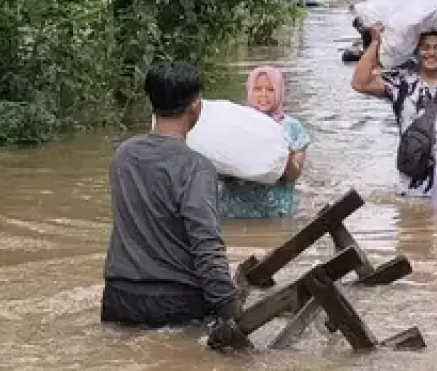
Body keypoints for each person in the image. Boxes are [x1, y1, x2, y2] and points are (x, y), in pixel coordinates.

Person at [101, 61, 242, 333]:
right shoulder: (195, 167)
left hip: (119, 296)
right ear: (196, 106)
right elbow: (206, 244)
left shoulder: (124, 155)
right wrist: (228, 305)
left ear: (151, 104)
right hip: (175, 302)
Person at [350, 23, 437, 197]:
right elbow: (360, 83)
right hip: (412, 188)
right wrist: (375, 42)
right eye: (426, 47)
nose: (431, 53)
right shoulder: (401, 84)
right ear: (417, 51)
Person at [218, 66, 311, 219]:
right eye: (257, 89)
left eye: (270, 89)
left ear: (280, 92)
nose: (263, 94)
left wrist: (284, 154)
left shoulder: (292, 128)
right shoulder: (235, 123)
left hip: (275, 211)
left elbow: (293, 175)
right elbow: (219, 171)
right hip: (233, 212)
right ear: (249, 91)